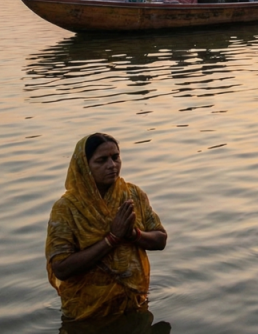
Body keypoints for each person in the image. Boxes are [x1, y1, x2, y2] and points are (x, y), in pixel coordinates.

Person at [46, 133, 168, 321]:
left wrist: (133, 234)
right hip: (86, 313)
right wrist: (112, 239)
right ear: (84, 166)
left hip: (134, 304)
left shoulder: (133, 195)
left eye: (115, 157)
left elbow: (160, 239)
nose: (112, 165)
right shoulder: (66, 208)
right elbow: (61, 268)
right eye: (101, 160)